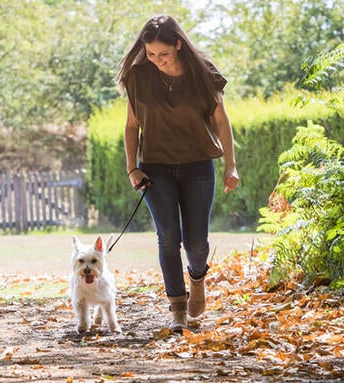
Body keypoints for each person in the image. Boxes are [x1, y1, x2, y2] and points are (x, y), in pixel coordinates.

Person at [116, 15, 239, 332]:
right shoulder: (138, 77)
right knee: (168, 238)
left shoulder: (203, 74)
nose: (156, 61)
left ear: (179, 45)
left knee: (196, 243)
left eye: (163, 54)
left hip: (198, 165)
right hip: (155, 169)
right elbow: (132, 126)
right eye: (151, 54)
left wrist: (231, 165)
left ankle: (197, 277)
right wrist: (132, 167)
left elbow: (221, 121)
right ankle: (177, 311)